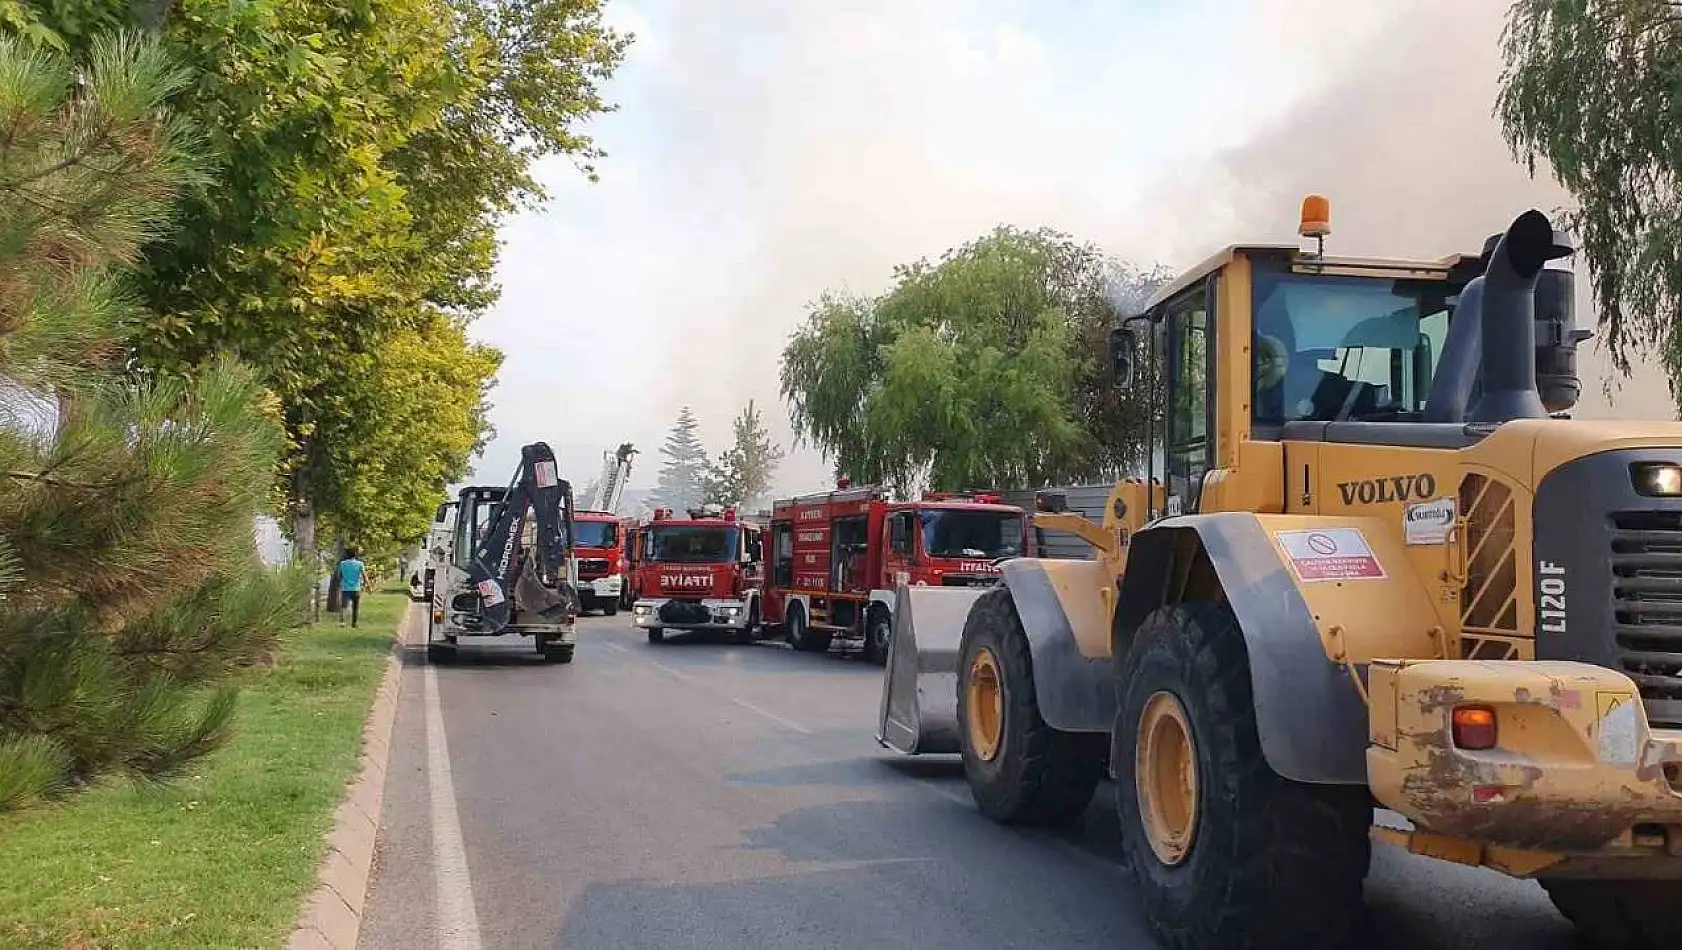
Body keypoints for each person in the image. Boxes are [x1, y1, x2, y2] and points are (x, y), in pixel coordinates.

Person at [337, 547, 366, 628]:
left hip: (345, 588)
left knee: (343, 606)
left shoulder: (342, 564)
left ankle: (342, 622)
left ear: (347, 555)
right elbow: (364, 576)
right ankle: (354, 623)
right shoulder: (360, 564)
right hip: (356, 588)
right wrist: (369, 587)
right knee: (356, 607)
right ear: (355, 555)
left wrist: (341, 582)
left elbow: (339, 575)